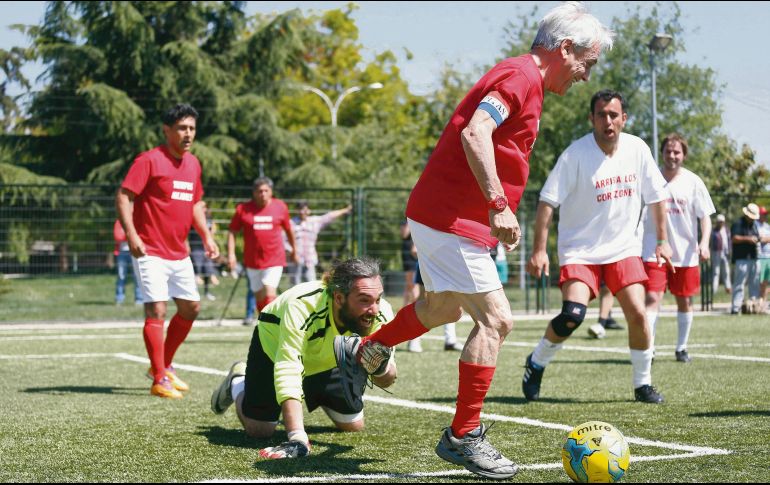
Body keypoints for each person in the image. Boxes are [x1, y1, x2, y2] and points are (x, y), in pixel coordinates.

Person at [333, 3, 614, 479]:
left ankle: (368, 349)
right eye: (587, 62)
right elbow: (475, 131)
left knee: (443, 309)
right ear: (564, 50)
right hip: (451, 218)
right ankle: (464, 435)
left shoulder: (527, 80)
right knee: (497, 321)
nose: (586, 75)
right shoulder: (520, 76)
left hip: (442, 215)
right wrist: (498, 204)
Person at [522, 89, 672, 406]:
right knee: (572, 315)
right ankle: (536, 362)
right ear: (592, 118)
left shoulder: (638, 149)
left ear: (623, 119)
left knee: (639, 314)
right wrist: (539, 250)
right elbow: (547, 202)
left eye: (613, 115)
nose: (608, 121)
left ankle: (642, 384)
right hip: (580, 250)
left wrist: (662, 241)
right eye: (601, 115)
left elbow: (657, 197)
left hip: (623, 249)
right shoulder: (575, 155)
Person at [209, 257, 397, 459]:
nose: (374, 309)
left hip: (328, 360)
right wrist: (297, 436)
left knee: (353, 425)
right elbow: (288, 367)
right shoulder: (301, 305)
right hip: (273, 350)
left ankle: (317, 391)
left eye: (377, 299)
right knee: (260, 430)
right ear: (339, 298)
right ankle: (238, 381)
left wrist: (379, 367)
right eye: (364, 300)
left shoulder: (382, 313)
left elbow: (387, 378)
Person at [116, 103, 219, 399]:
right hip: (149, 250)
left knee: (191, 308)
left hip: (179, 251)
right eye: (182, 128)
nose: (188, 134)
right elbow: (124, 196)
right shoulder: (149, 160)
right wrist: (131, 235)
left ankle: (163, 365)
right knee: (157, 309)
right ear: (167, 130)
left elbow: (196, 204)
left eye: (192, 128)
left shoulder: (194, 164)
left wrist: (206, 237)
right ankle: (159, 378)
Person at [641, 134, 715, 364]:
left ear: (683, 155)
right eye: (668, 151)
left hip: (685, 254)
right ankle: (649, 348)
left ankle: (681, 348)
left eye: (677, 152)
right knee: (652, 297)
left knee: (685, 301)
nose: (672, 156)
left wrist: (704, 243)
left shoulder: (693, 182)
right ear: (661, 153)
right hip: (654, 251)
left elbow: (705, 218)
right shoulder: (650, 179)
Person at [227, 177, 299, 323]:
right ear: (254, 193)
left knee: (269, 293)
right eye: (260, 191)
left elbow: (289, 230)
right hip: (252, 261)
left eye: (266, 191)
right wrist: (231, 254)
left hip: (274, 259)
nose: (263, 194)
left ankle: (274, 326)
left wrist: (294, 250)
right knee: (259, 297)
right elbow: (232, 232)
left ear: (271, 191)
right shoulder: (243, 209)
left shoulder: (280, 207)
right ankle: (265, 324)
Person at [291, 201, 352, 286]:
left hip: (310, 259)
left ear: (309, 210)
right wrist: (292, 253)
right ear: (297, 210)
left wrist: (345, 210)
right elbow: (285, 240)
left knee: (311, 285)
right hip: (295, 259)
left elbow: (329, 216)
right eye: (300, 209)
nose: (302, 212)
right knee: (295, 286)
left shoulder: (314, 221)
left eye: (305, 209)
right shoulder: (291, 223)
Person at [730, 203, 761, 314]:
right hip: (741, 258)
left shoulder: (754, 225)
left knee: (755, 283)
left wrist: (758, 239)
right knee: (739, 283)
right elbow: (734, 238)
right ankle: (735, 308)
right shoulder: (738, 223)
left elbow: (757, 237)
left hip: (754, 257)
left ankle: (754, 307)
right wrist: (748, 239)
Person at [189, 203, 219, 301]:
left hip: (205, 247)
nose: (204, 209)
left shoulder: (209, 218)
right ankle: (193, 292)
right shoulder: (193, 217)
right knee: (196, 267)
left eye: (205, 207)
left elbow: (213, 228)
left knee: (207, 269)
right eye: (202, 207)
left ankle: (207, 292)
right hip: (196, 246)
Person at [113, 219, 143, 305]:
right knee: (121, 275)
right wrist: (131, 234)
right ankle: (119, 298)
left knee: (137, 276)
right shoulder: (119, 221)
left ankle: (139, 299)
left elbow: (139, 235)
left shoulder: (136, 219)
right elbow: (117, 236)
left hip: (134, 251)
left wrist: (127, 233)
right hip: (122, 253)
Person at [710, 214, 732, 295]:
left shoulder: (726, 230)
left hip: (725, 253)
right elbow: (711, 243)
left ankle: (728, 287)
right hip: (716, 252)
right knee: (716, 271)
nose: (721, 223)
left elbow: (729, 241)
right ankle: (714, 289)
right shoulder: (713, 230)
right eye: (719, 222)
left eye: (722, 222)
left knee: (726, 271)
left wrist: (729, 250)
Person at [756, 207, 770, 313]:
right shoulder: (755, 225)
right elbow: (759, 239)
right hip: (759, 257)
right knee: (759, 282)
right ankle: (757, 303)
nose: (765, 216)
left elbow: (764, 239)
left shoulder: (767, 227)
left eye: (766, 214)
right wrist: (765, 239)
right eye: (763, 214)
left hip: (768, 257)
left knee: (765, 282)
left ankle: (763, 304)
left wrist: (764, 239)